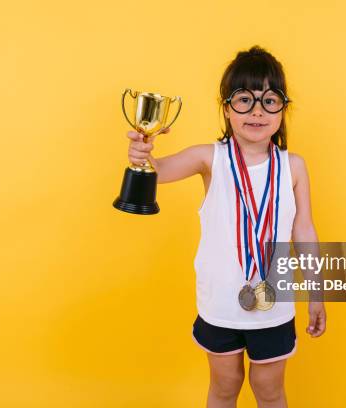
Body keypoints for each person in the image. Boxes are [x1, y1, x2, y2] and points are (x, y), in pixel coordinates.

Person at [126, 45, 326, 408]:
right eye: (244, 99)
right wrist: (143, 152)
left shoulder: (294, 167)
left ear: (284, 108)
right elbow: (158, 171)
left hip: (274, 304)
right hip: (219, 302)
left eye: (269, 100)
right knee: (224, 386)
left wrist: (316, 292)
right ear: (226, 108)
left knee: (270, 390)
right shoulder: (209, 159)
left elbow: (305, 232)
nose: (257, 111)